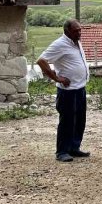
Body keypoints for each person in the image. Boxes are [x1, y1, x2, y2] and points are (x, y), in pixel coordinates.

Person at [37, 19, 90, 162]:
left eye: (80, 30)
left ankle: (74, 147)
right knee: (67, 121)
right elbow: (41, 60)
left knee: (79, 120)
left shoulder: (76, 41)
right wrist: (56, 78)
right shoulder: (60, 44)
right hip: (67, 91)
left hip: (80, 88)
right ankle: (62, 151)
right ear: (67, 31)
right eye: (76, 30)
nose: (79, 33)